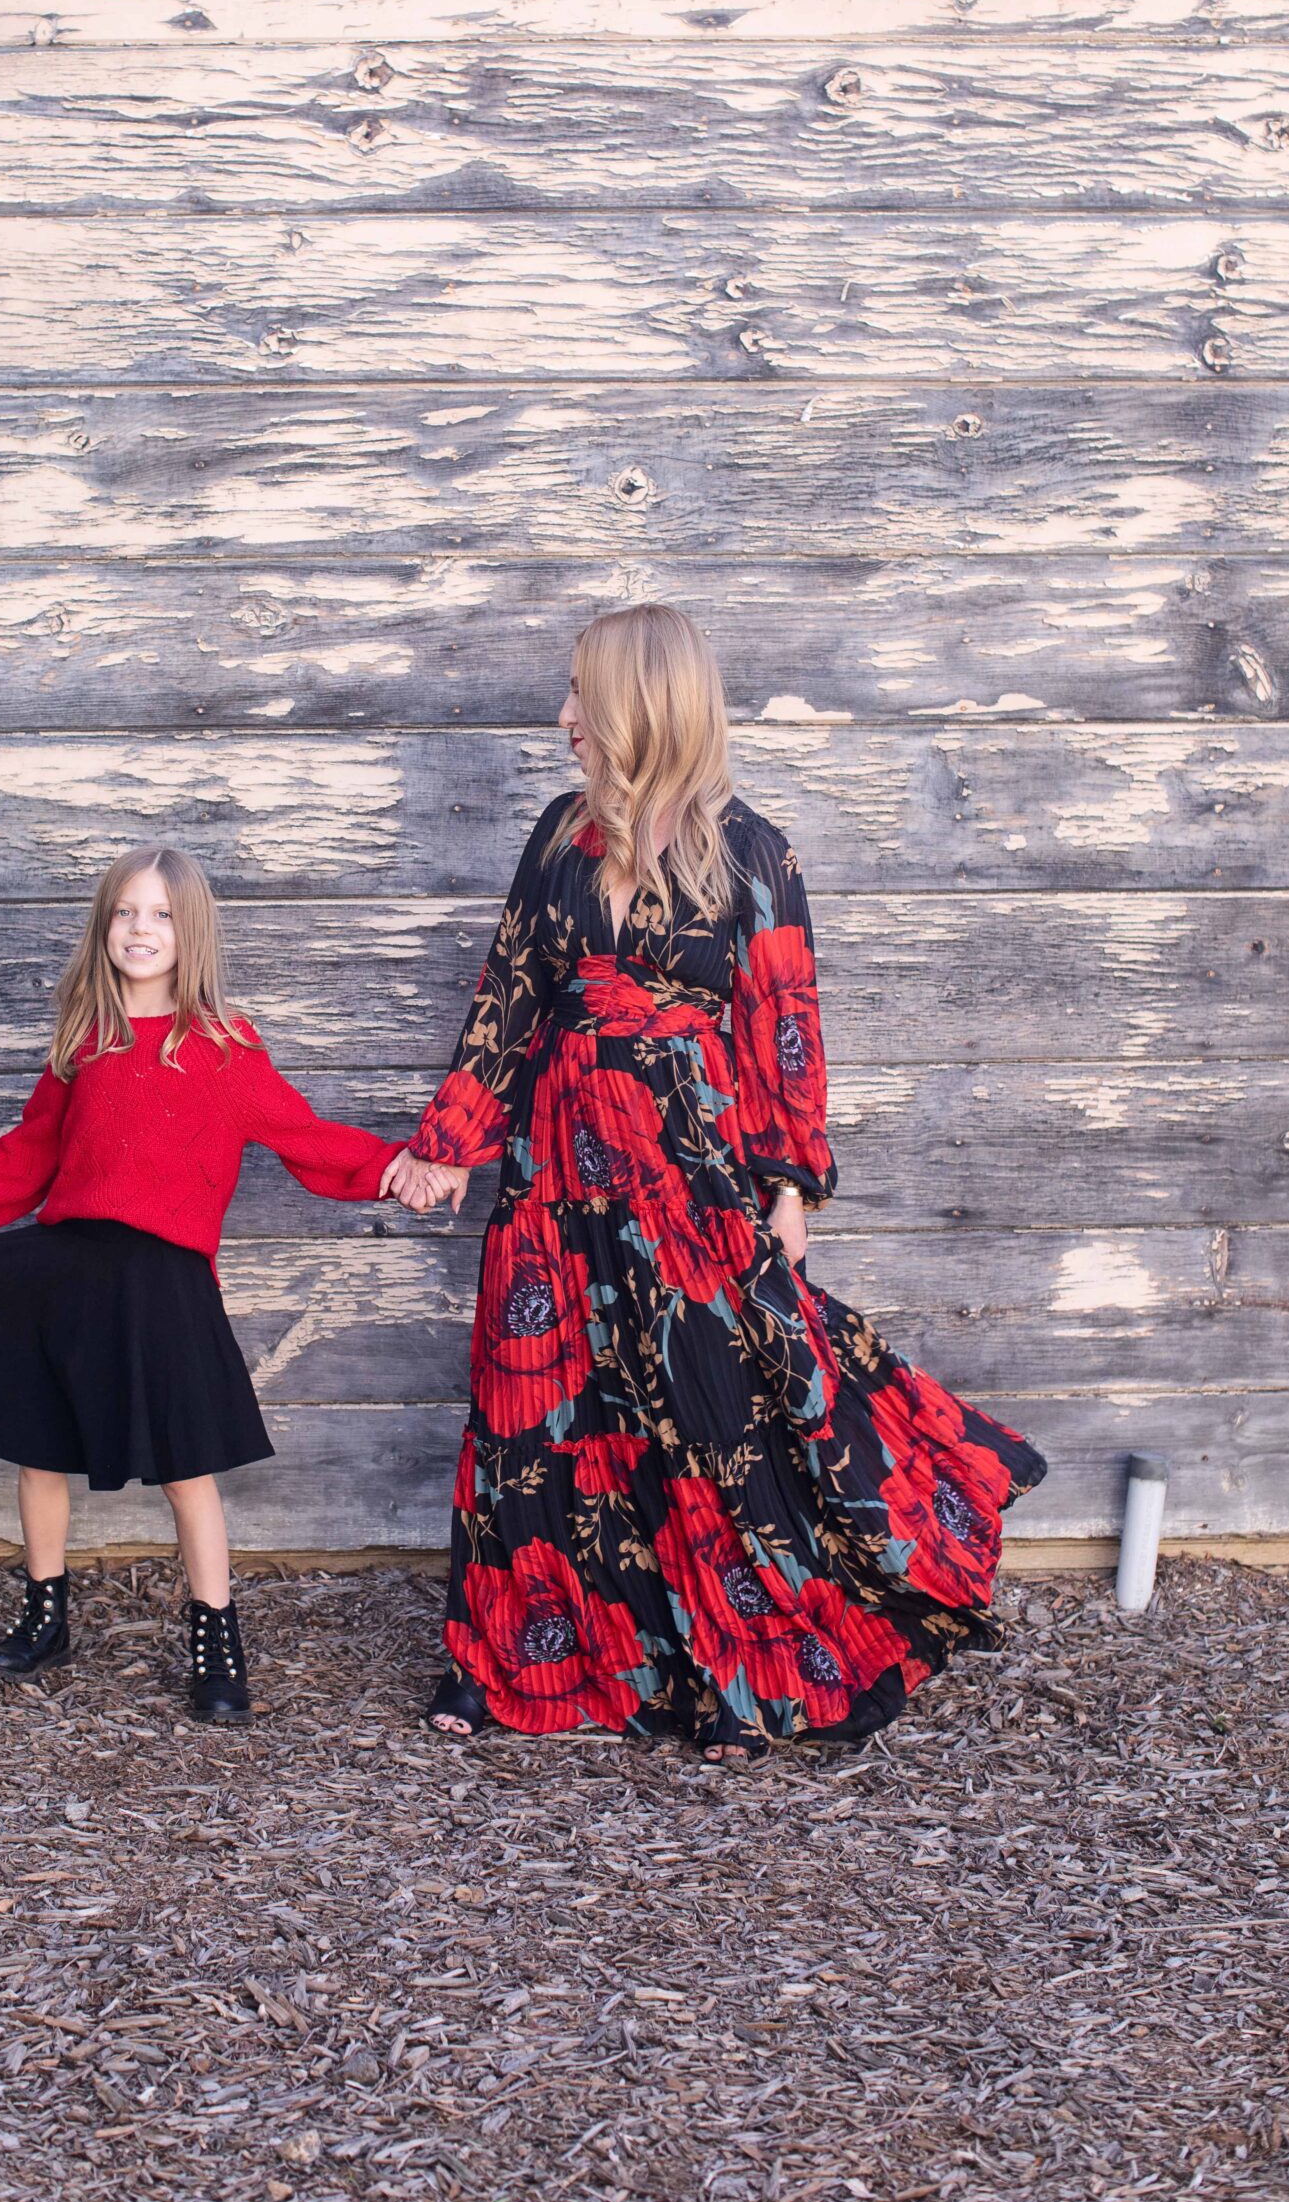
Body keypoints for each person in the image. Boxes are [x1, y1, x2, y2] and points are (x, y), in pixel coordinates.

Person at [398, 603, 1047, 1760]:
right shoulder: (560, 837)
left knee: (710, 1418)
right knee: (539, 1413)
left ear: (638, 707)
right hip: (556, 1176)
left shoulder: (754, 851)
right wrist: (449, 1142)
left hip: (686, 1181)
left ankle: (740, 1681)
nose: (563, 720)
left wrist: (790, 1187)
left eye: (579, 699)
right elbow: (508, 999)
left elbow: (783, 1029)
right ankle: (512, 1669)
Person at [0, 846, 412, 1717]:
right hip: (70, 1271)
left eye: (162, 916)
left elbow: (305, 1138)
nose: (142, 930)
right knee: (39, 1447)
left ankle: (216, 1643)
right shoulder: (85, 1039)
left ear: (191, 932)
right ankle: (45, 1614)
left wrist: (401, 1167)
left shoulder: (220, 1045)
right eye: (126, 913)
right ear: (105, 927)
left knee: (187, 1469)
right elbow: (31, 1149)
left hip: (163, 1278)